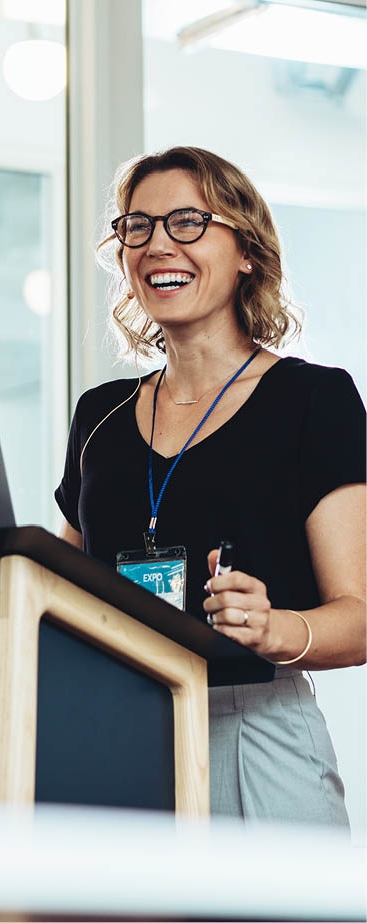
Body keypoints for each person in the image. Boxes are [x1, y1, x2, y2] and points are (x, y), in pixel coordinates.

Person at [56, 146, 366, 827]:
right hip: (118, 735)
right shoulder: (99, 417)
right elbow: (60, 597)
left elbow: (360, 615)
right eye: (136, 226)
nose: (158, 243)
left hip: (252, 728)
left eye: (188, 222)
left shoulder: (314, 399)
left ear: (247, 251)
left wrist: (275, 626)